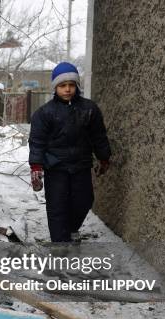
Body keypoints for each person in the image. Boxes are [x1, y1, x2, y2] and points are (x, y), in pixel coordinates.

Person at [28, 62, 111, 243]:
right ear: (55, 88)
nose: (67, 89)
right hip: (56, 167)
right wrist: (36, 166)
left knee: (84, 201)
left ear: (77, 86)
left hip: (81, 165)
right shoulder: (44, 113)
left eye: (71, 85)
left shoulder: (89, 109)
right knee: (57, 207)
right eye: (62, 86)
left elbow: (99, 136)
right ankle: (60, 248)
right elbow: (37, 142)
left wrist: (104, 158)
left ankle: (71, 228)